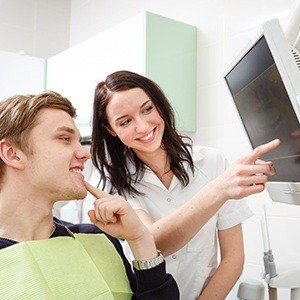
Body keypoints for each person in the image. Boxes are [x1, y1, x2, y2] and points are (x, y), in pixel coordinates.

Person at [87, 71, 280, 300]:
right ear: (111, 129)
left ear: (159, 105)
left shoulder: (212, 162)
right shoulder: (108, 180)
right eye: (125, 121)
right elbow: (152, 243)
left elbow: (233, 258)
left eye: (148, 109)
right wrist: (218, 190)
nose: (142, 126)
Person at [0, 91, 179, 300]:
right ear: (12, 154)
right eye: (64, 138)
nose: (85, 153)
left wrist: (140, 240)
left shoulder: (97, 238)